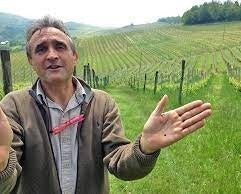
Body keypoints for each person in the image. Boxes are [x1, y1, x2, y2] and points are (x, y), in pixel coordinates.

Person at [0, 16, 212, 194]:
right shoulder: (14, 106)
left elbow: (120, 164)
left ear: (75, 56)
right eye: (41, 49)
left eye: (60, 46)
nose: (52, 55)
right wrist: (1, 161)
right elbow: (6, 184)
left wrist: (145, 146)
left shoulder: (102, 104)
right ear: (30, 60)